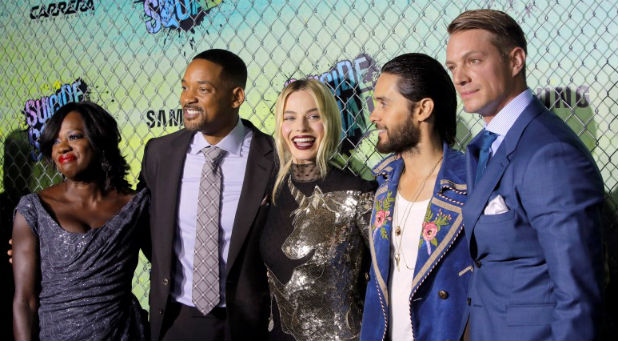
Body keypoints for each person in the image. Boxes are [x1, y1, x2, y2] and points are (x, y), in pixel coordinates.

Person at [446, 9, 604, 340]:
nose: (459, 77)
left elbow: (577, 293)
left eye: (473, 61)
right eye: (453, 67)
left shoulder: (550, 153)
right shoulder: (483, 148)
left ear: (515, 61)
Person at [139, 49, 276, 340]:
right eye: (185, 87)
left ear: (236, 97)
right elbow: (144, 226)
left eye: (203, 89)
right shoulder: (160, 153)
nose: (187, 98)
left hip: (247, 322)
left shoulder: (273, 158)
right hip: (177, 318)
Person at [12, 101, 149, 340]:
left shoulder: (135, 206)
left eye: (73, 137)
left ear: (100, 140)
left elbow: (168, 264)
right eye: (55, 141)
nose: (62, 147)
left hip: (123, 333)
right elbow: (24, 301)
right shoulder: (34, 208)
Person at [360, 53, 471, 341]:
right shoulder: (382, 184)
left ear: (422, 109)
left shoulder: (469, 188)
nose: (374, 115)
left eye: (384, 103)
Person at [259, 79, 375, 341]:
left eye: (313, 117)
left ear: (331, 121)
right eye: (290, 118)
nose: (300, 128)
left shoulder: (359, 191)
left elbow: (383, 282)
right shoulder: (273, 188)